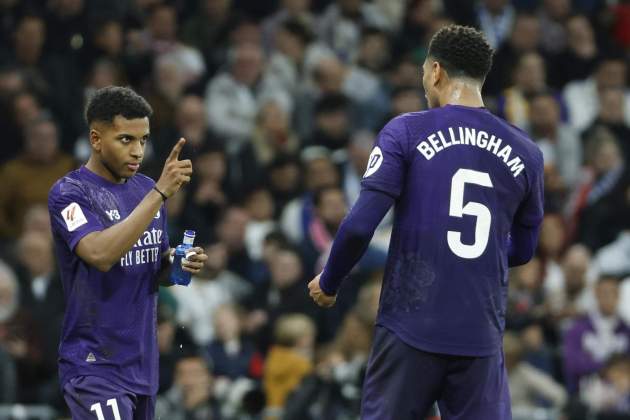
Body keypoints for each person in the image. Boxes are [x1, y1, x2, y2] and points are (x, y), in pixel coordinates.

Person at [308, 25, 544, 419]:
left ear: (436, 71)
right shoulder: (527, 152)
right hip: (479, 334)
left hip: (410, 326)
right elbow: (523, 250)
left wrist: (330, 280)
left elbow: (359, 225)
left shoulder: (406, 131)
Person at [47, 86, 208, 419]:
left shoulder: (146, 190)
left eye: (144, 140)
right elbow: (100, 254)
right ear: (96, 139)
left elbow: (154, 268)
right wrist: (160, 194)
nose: (138, 152)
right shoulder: (70, 193)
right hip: (94, 365)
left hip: (141, 365)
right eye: (126, 140)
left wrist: (176, 262)